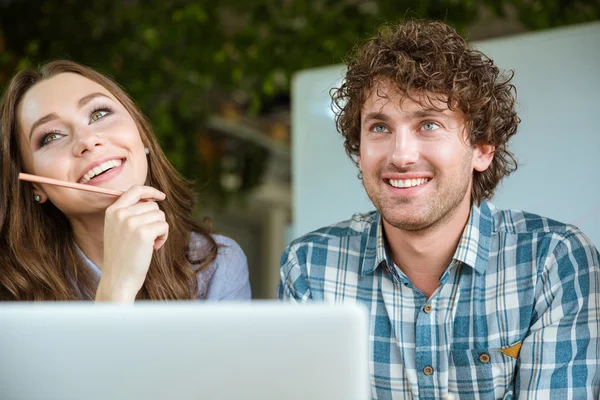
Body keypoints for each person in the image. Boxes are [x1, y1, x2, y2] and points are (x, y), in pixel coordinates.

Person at [279, 20, 600, 399]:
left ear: (482, 148)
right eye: (379, 128)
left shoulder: (551, 261)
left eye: (428, 124)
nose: (400, 156)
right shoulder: (311, 268)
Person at [0, 60, 251, 302]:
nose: (87, 140)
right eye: (51, 137)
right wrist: (117, 285)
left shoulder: (216, 265)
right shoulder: (11, 289)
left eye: (99, 114)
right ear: (35, 184)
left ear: (141, 137)